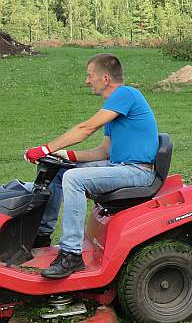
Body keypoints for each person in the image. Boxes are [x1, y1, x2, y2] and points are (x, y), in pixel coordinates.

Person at [22, 53, 159, 279]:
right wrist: (62, 155)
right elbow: (103, 152)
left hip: (138, 172)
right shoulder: (114, 108)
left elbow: (86, 129)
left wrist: (45, 148)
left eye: (90, 75)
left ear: (105, 78)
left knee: (73, 179)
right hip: (119, 166)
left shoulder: (126, 94)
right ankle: (42, 237)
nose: (87, 81)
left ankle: (71, 255)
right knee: (61, 171)